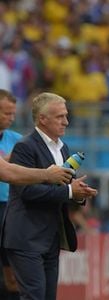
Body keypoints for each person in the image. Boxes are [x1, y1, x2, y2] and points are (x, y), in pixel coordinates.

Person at [1, 92, 97, 300]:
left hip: (50, 237)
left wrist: (78, 194)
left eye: (66, 115)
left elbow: (61, 191)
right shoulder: (25, 147)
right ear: (42, 119)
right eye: (60, 117)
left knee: (47, 296)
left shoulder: (64, 149)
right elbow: (26, 191)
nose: (66, 121)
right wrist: (70, 191)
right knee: (34, 296)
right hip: (26, 237)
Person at [0, 89, 22, 299]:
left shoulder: (17, 140)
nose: (11, 118)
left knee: (13, 275)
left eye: (13, 113)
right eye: (7, 113)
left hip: (9, 207)